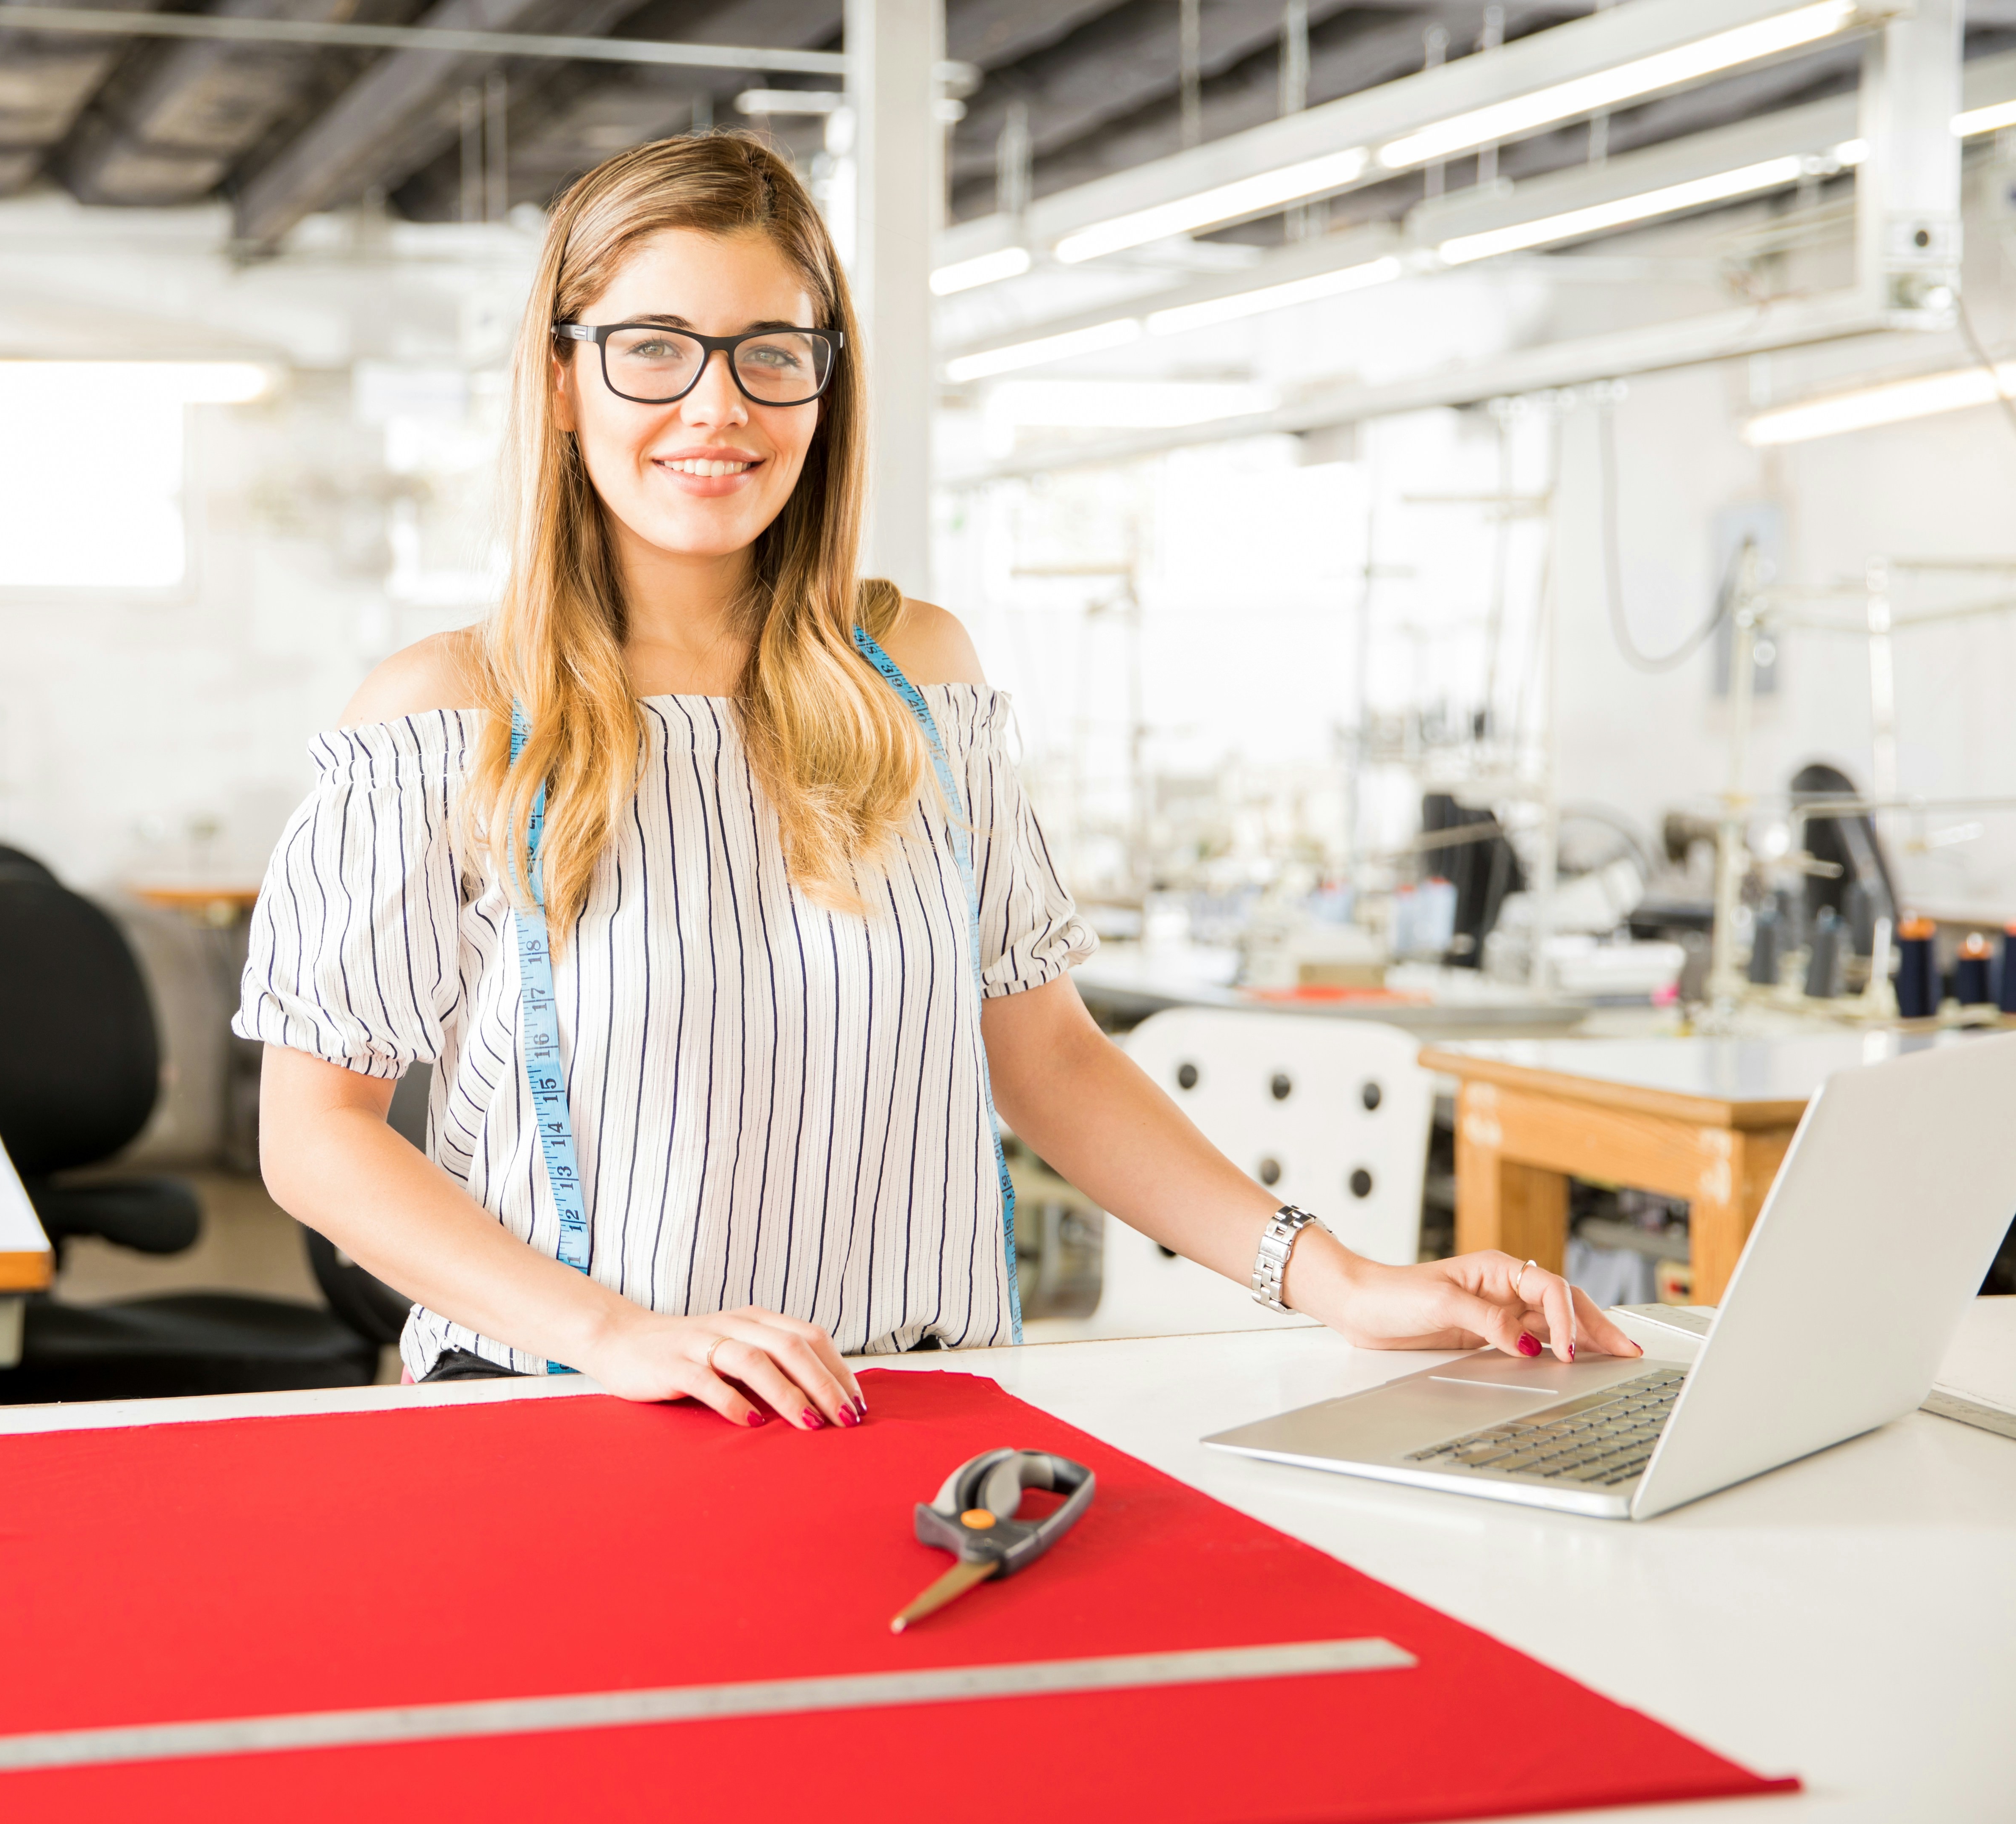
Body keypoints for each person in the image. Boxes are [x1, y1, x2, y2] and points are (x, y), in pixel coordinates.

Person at [236, 132, 1637, 1429]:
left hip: (903, 1414)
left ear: (825, 381)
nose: (717, 406)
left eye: (771, 352)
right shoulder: (446, 718)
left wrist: (1342, 1279)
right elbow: (315, 1135)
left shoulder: (920, 680)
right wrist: (616, 1335)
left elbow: (1051, 1056)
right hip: (574, 1410)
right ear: (561, 376)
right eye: (653, 348)